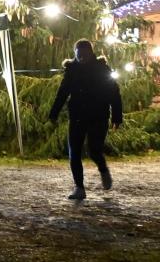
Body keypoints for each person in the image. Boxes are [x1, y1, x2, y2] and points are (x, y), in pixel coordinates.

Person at [48, 39, 123, 200]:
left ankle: (103, 169)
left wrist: (117, 116)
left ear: (91, 53)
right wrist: (54, 113)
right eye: (78, 54)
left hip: (98, 116)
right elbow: (62, 92)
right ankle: (79, 187)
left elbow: (114, 93)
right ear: (75, 53)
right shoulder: (72, 70)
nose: (81, 57)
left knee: (94, 150)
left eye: (84, 53)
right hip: (77, 116)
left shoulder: (102, 69)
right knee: (74, 151)